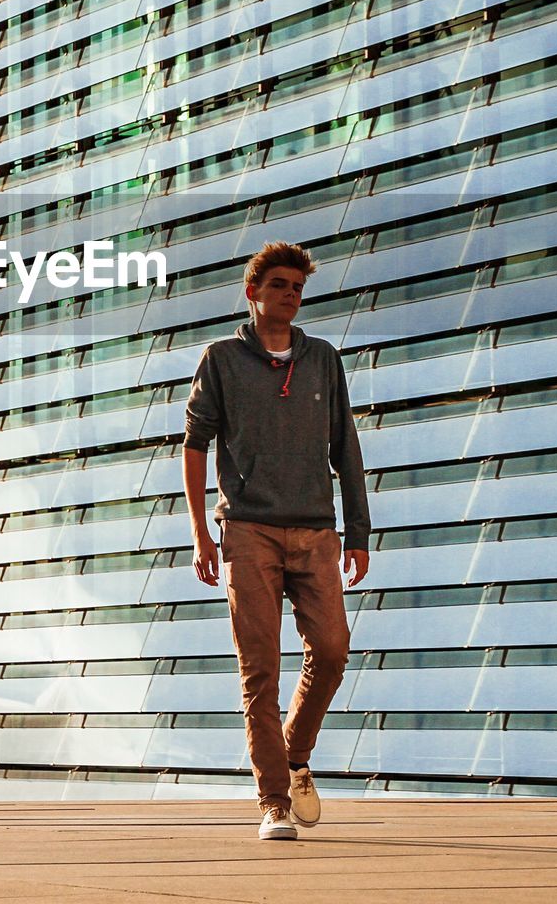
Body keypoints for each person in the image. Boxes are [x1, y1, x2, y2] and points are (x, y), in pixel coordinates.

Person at [181, 240, 370, 841]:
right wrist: (200, 534)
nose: (290, 295)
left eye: (297, 287)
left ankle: (292, 756)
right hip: (248, 531)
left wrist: (357, 533)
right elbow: (195, 444)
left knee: (333, 650)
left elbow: (346, 448)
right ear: (253, 292)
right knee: (259, 669)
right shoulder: (221, 359)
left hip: (315, 529)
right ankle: (273, 802)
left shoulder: (323, 360)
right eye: (279, 286)